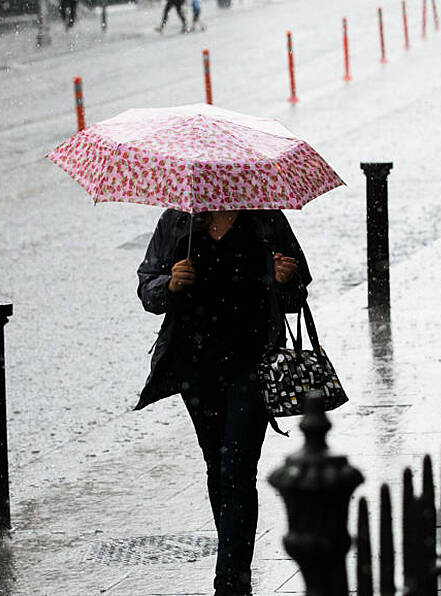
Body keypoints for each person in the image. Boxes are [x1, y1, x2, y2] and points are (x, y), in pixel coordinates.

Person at [136, 208, 311, 596]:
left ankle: (231, 580)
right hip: (195, 366)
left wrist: (287, 279)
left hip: (253, 364)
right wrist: (170, 283)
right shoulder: (177, 221)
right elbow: (147, 288)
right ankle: (234, 565)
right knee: (217, 465)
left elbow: (296, 295)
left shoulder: (266, 219)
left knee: (237, 466)